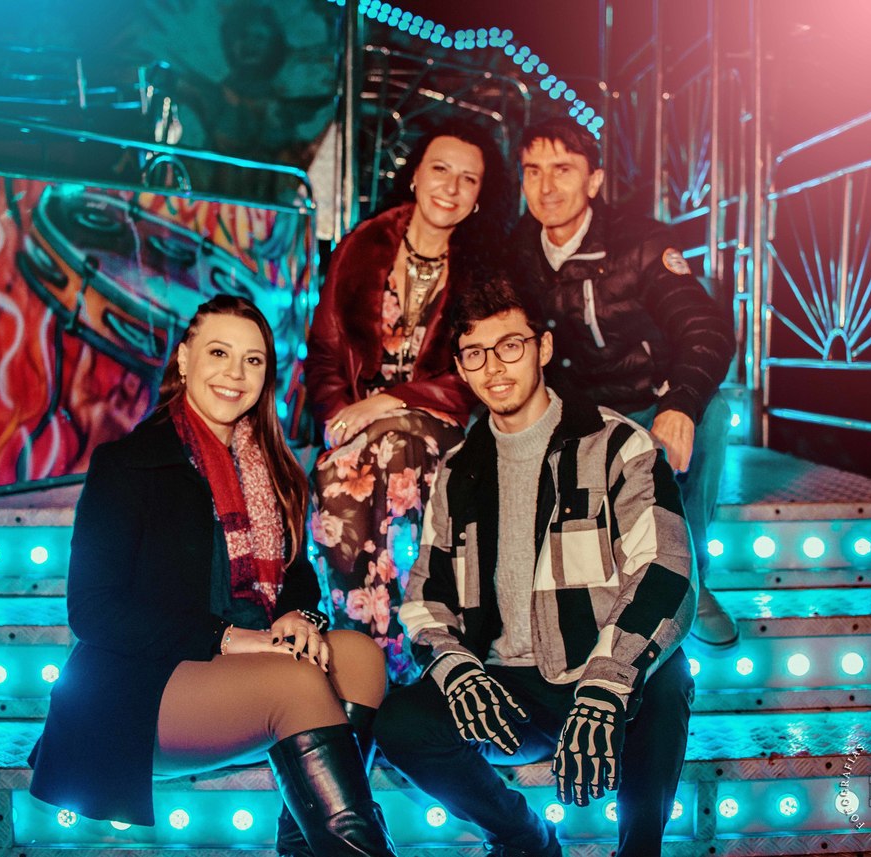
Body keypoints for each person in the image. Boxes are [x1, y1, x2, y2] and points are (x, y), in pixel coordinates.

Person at [29, 295, 397, 857]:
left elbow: (298, 577)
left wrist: (298, 616)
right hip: (144, 686)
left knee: (361, 659)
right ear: (184, 359)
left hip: (247, 669)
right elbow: (93, 611)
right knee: (295, 680)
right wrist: (228, 638)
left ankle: (304, 847)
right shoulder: (130, 464)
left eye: (253, 360)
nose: (236, 374)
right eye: (219, 353)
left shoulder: (272, 467)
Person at [374, 278, 696, 857]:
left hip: (599, 672)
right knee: (401, 722)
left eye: (510, 346)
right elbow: (426, 595)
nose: (494, 366)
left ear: (542, 348)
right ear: (461, 367)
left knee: (670, 675)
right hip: (507, 694)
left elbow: (665, 569)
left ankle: (639, 850)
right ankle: (524, 838)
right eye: (475, 353)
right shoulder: (459, 470)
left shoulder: (617, 445)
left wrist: (606, 683)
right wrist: (457, 669)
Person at [507, 116, 737, 646]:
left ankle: (690, 577)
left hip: (641, 400)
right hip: (567, 411)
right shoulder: (514, 251)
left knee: (713, 412)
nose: (546, 187)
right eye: (533, 171)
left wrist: (679, 403)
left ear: (594, 180)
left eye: (563, 169)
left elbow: (705, 328)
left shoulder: (641, 242)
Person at [304, 118, 514, 684]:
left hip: (437, 421)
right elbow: (324, 352)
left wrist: (388, 402)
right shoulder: (363, 245)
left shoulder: (483, 269)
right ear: (415, 176)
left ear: (478, 197)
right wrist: (339, 417)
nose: (451, 186)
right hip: (356, 423)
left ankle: (404, 661)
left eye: (468, 179)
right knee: (339, 475)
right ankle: (359, 655)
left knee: (399, 448)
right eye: (440, 169)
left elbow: (476, 374)